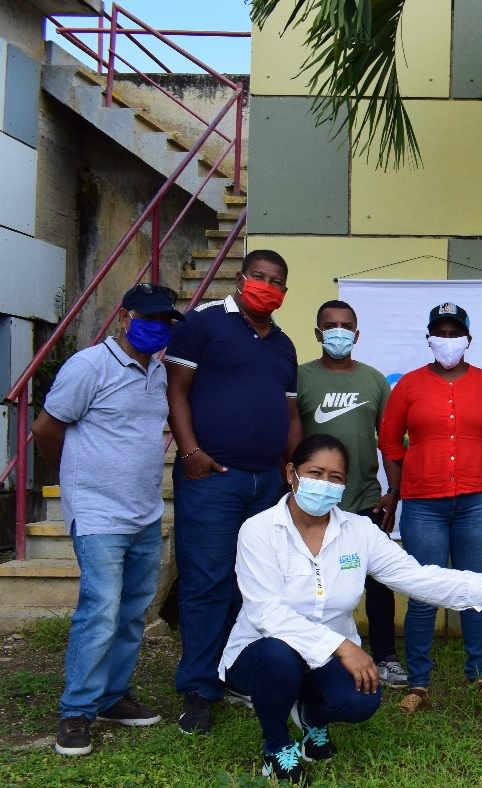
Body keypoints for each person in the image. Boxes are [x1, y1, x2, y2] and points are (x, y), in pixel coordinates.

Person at [223, 434, 482, 784]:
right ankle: (277, 748)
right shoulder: (259, 530)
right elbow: (267, 614)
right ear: (291, 473)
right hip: (260, 653)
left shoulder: (360, 531)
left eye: (335, 478)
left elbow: (415, 577)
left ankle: (312, 716)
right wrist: (343, 647)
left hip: (325, 658)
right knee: (277, 657)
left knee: (361, 701)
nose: (324, 484)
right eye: (315, 473)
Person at [33, 284, 182, 756]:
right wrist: (78, 480)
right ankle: (76, 711)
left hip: (144, 512)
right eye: (147, 317)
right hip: (98, 513)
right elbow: (46, 429)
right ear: (124, 317)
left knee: (133, 611)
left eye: (165, 321)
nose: (156, 327)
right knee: (99, 609)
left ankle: (112, 696)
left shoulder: (158, 372)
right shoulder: (88, 366)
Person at [165, 249, 302, 735]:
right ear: (242, 279)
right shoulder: (203, 324)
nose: (267, 285)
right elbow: (176, 389)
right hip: (212, 478)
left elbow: (288, 416)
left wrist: (296, 467)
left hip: (267, 481)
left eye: (277, 281)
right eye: (259, 276)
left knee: (255, 584)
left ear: (285, 292)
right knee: (206, 581)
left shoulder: (284, 346)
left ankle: (237, 672)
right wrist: (189, 452)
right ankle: (200, 689)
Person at [378, 301, 482, 712]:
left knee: (476, 587)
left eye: (456, 332)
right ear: (429, 338)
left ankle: (480, 675)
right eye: (442, 332)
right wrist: (402, 486)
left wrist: (474, 464)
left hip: (477, 503)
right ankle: (418, 682)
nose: (449, 339)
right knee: (423, 592)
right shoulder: (409, 386)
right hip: (422, 505)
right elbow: (390, 442)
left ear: (469, 339)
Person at [296, 300, 403, 686]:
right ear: (318, 332)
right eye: (330, 325)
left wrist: (395, 491)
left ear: (356, 335)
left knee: (377, 583)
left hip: (365, 499)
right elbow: (289, 435)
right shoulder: (300, 378)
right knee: (310, 580)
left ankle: (386, 656)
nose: (338, 332)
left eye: (345, 326)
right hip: (312, 503)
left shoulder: (374, 380)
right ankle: (310, 654)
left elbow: (390, 441)